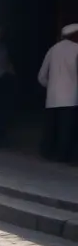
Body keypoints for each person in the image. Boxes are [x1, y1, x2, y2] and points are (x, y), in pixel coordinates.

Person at [37, 24, 78, 162]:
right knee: (67, 129)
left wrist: (51, 87)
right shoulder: (76, 49)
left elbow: (41, 76)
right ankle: (64, 156)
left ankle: (48, 153)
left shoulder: (53, 49)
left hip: (52, 97)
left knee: (51, 127)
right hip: (71, 97)